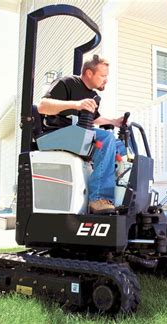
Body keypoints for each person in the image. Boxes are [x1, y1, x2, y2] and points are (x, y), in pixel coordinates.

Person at [37, 54, 124, 214]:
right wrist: (77, 104)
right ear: (90, 73)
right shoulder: (67, 82)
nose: (106, 80)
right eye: (103, 76)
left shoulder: (92, 95)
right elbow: (42, 106)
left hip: (77, 134)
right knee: (105, 139)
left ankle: (118, 195)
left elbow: (96, 118)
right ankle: (98, 198)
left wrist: (114, 122)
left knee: (120, 146)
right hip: (57, 133)